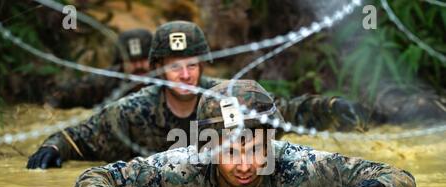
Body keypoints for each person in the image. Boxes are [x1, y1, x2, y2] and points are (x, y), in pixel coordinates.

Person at [70, 80, 416, 187]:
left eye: (256, 148)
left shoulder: (305, 169)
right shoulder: (175, 175)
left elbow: (396, 176)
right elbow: (95, 178)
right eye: (231, 151)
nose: (246, 164)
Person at [27, 20, 366, 170]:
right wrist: (53, 147)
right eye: (174, 67)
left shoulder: (229, 96)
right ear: (158, 67)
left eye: (191, 65)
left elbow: (285, 112)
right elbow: (80, 136)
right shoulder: (133, 110)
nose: (185, 76)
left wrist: (332, 107)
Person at [45, 29, 153, 109]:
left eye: (144, 59)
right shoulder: (107, 81)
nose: (139, 66)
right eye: (132, 61)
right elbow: (67, 92)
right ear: (121, 64)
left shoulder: (165, 78)